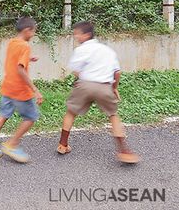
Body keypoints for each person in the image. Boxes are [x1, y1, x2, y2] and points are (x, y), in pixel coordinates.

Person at [57, 21, 139, 164]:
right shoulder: (107, 50)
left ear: (87, 35)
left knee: (71, 112)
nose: (76, 36)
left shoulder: (81, 50)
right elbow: (117, 72)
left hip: (84, 85)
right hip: (104, 86)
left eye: (78, 33)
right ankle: (124, 151)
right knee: (113, 115)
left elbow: (76, 70)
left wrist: (81, 79)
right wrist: (114, 87)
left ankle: (63, 145)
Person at [0, 16, 43, 163]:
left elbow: (16, 60)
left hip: (7, 87)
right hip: (20, 91)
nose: (33, 35)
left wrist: (29, 58)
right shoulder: (25, 46)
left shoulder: (12, 42)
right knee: (31, 117)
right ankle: (12, 144)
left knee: (3, 115)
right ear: (27, 30)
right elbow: (20, 69)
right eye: (33, 32)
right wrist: (35, 90)